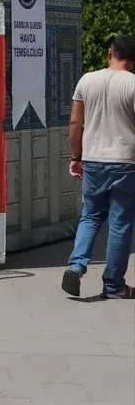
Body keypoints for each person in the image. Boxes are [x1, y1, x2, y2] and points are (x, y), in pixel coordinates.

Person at [62, 35, 135, 300]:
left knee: (90, 217)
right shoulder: (133, 84)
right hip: (126, 162)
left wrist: (76, 156)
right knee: (120, 224)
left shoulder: (87, 80)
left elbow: (74, 123)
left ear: (109, 53)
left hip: (93, 160)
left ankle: (76, 265)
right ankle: (114, 286)